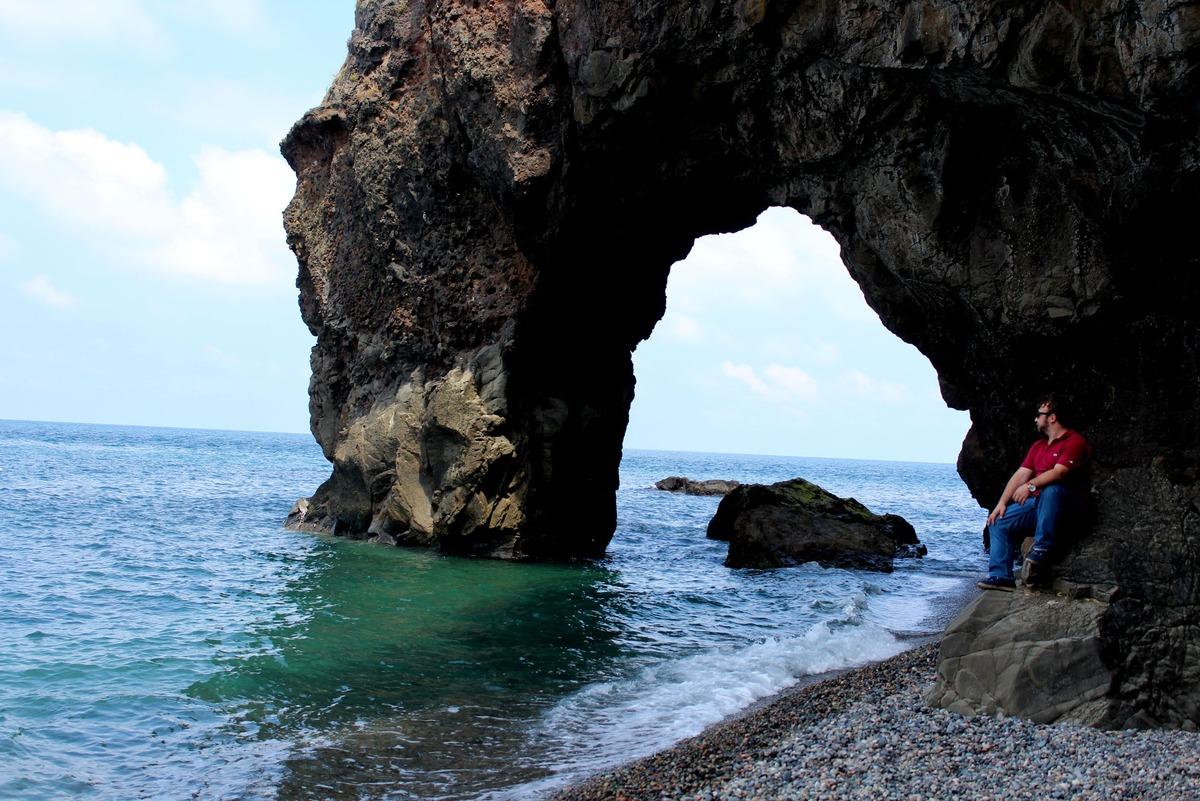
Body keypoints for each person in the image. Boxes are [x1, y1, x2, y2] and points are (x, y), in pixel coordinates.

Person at [977, 395, 1091, 591]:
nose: (1035, 419)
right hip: (1039, 506)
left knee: (1051, 490)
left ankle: (1042, 547)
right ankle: (1001, 576)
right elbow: (1020, 475)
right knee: (998, 521)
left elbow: (1059, 472)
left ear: (1052, 417)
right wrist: (1001, 504)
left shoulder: (1074, 441)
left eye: (1039, 415)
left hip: (1067, 507)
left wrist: (1030, 486)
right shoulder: (1039, 446)